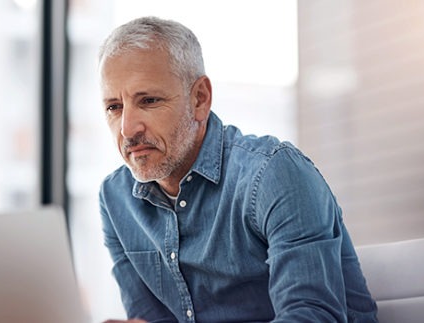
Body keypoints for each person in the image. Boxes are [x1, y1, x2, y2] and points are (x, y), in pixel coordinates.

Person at [98, 16, 378, 323]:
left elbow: (312, 317)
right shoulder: (116, 199)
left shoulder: (274, 174)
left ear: (200, 99)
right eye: (114, 107)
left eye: (149, 100)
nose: (127, 129)